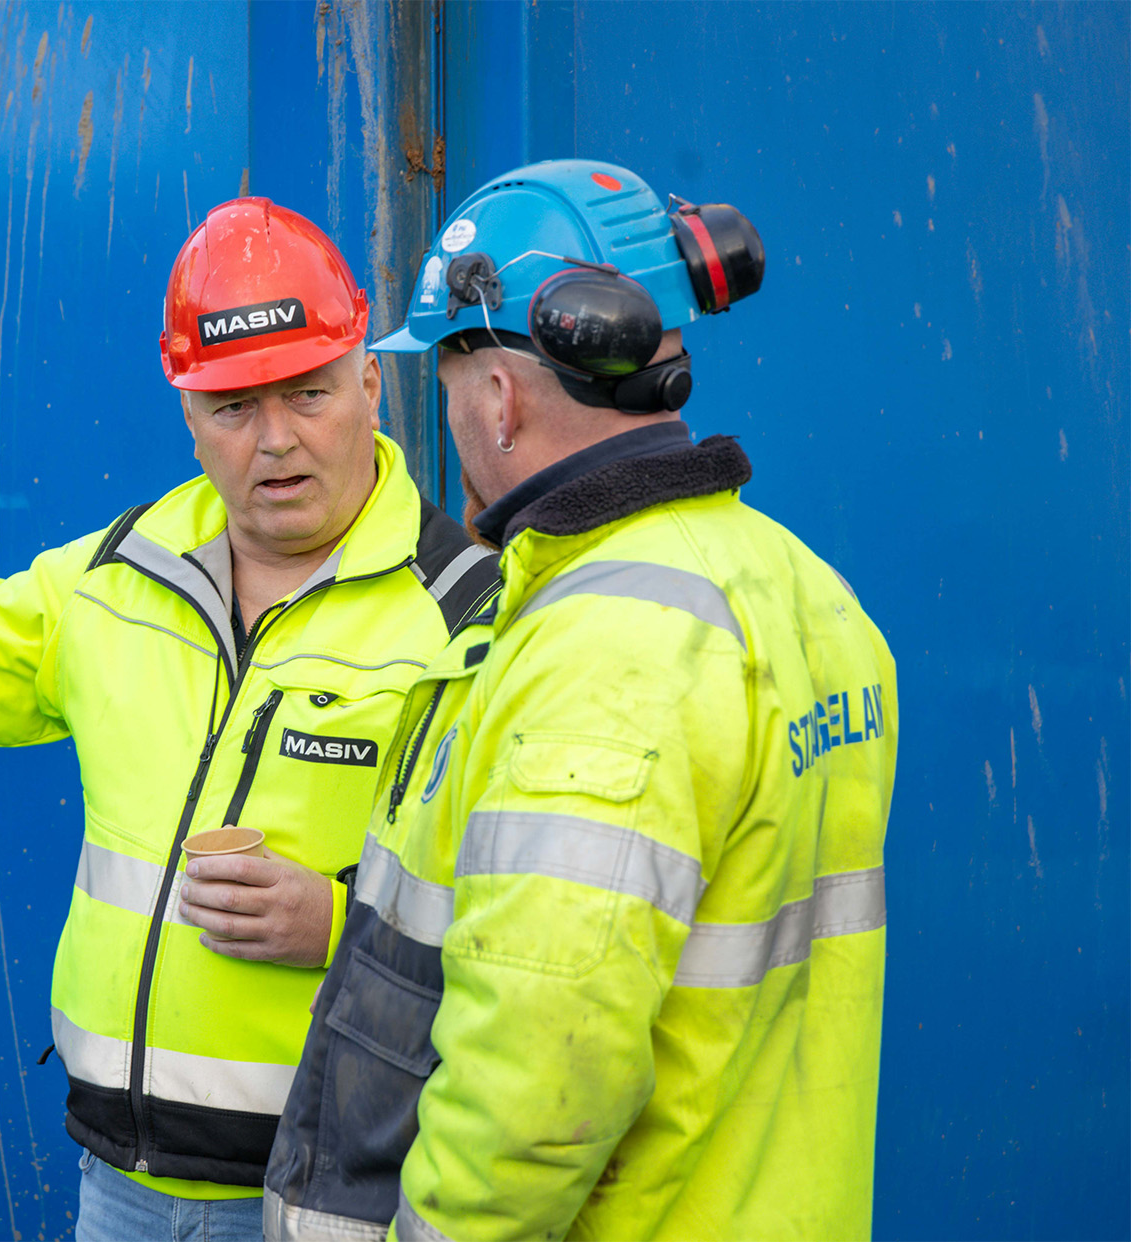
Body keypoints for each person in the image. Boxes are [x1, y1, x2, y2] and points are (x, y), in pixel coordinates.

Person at [0, 198, 500, 1241]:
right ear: (187, 413)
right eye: (232, 408)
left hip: (330, 1196)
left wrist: (339, 923)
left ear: (369, 385)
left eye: (308, 393)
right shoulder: (119, 574)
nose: (276, 440)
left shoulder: (466, 612)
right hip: (119, 1187)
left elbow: (537, 917)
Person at [264, 159, 898, 1241]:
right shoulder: (806, 592)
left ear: (500, 396)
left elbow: (541, 1086)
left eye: (451, 383)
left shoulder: (603, 651)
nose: (452, 415)